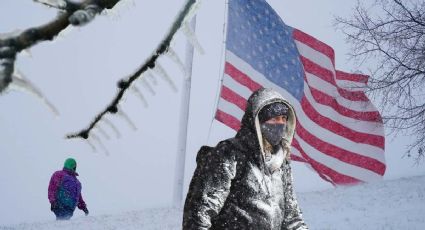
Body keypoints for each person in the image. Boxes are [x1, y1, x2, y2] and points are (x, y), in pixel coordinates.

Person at [183, 88, 308, 230]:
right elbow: (200, 214)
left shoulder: (281, 162)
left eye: (283, 119)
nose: (279, 124)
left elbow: (292, 219)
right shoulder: (229, 154)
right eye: (273, 119)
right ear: (257, 121)